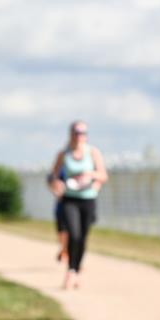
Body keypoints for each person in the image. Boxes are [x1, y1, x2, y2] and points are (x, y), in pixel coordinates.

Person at [49, 121, 108, 289]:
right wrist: (57, 185)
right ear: (71, 133)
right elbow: (53, 176)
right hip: (69, 198)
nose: (79, 135)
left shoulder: (93, 152)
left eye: (83, 132)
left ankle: (76, 271)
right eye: (76, 132)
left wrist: (91, 177)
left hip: (88, 199)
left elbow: (103, 175)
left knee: (82, 237)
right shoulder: (63, 154)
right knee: (73, 234)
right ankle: (70, 271)